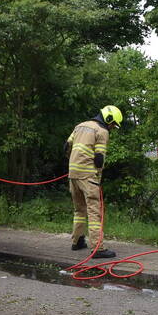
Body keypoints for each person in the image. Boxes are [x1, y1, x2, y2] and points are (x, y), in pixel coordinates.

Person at [66, 105, 123, 259]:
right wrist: (97, 176)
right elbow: (99, 159)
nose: (112, 128)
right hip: (88, 177)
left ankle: (77, 241)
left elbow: (67, 146)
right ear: (109, 119)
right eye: (113, 125)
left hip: (73, 174)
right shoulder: (102, 131)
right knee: (94, 212)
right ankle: (98, 248)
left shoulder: (80, 126)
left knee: (79, 210)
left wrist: (74, 165)